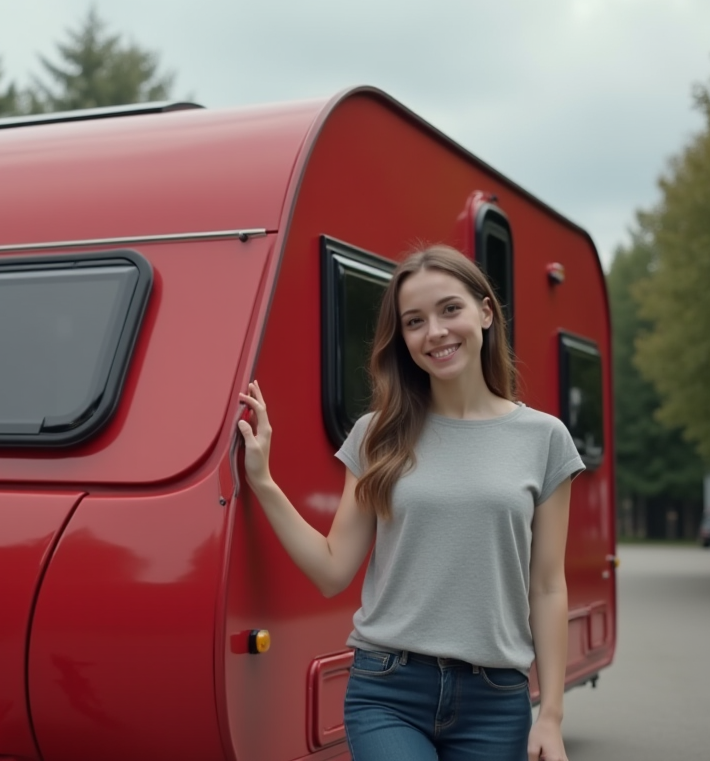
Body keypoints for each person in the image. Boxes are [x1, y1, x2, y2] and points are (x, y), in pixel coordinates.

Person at [237, 244, 583, 761]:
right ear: (402, 338)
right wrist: (264, 481)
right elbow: (332, 570)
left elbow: (548, 586)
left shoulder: (545, 438)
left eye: (450, 309)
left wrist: (551, 714)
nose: (435, 332)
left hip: (496, 699)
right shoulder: (376, 433)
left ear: (485, 312)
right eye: (415, 321)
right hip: (388, 690)